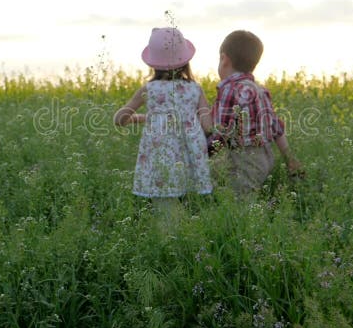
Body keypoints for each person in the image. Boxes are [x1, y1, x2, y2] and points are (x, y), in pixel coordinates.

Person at [114, 27, 213, 211]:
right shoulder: (195, 89)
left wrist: (142, 119)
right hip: (191, 157)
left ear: (153, 63)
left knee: (165, 208)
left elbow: (119, 119)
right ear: (185, 61)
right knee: (192, 207)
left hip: (162, 158)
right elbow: (208, 127)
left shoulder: (149, 90)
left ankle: (168, 236)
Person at [209, 30, 302, 195]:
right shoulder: (260, 90)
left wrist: (202, 155)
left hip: (245, 159)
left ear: (224, 59)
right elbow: (276, 127)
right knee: (217, 178)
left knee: (241, 205)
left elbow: (221, 133)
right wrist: (290, 159)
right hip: (265, 156)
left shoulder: (230, 89)